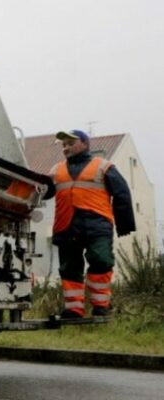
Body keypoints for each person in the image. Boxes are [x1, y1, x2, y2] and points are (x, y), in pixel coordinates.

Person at [50, 129, 135, 319]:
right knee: (69, 267)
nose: (66, 148)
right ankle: (73, 309)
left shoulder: (103, 166)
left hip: (97, 224)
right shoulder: (56, 170)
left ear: (85, 144)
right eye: (64, 145)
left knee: (101, 260)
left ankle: (100, 306)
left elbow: (121, 193)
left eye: (71, 143)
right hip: (66, 225)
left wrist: (124, 224)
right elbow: (41, 190)